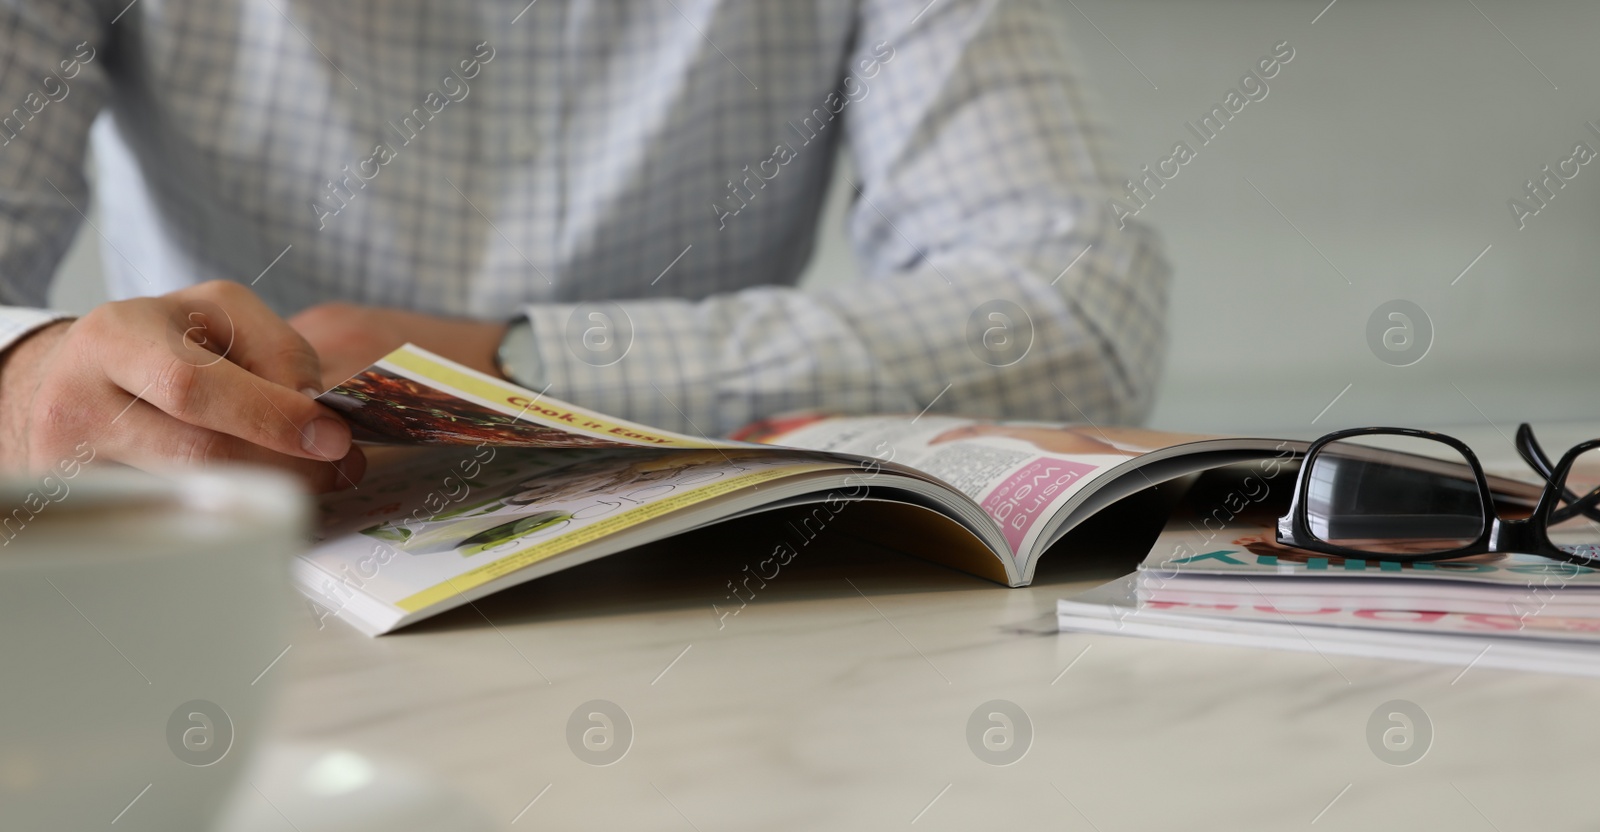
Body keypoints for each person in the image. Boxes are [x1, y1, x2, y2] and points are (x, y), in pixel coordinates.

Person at [0, 0, 1167, 492]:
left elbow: (1072, 313)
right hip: (230, 607)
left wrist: (512, 366)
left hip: (719, 620)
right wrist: (29, 375)